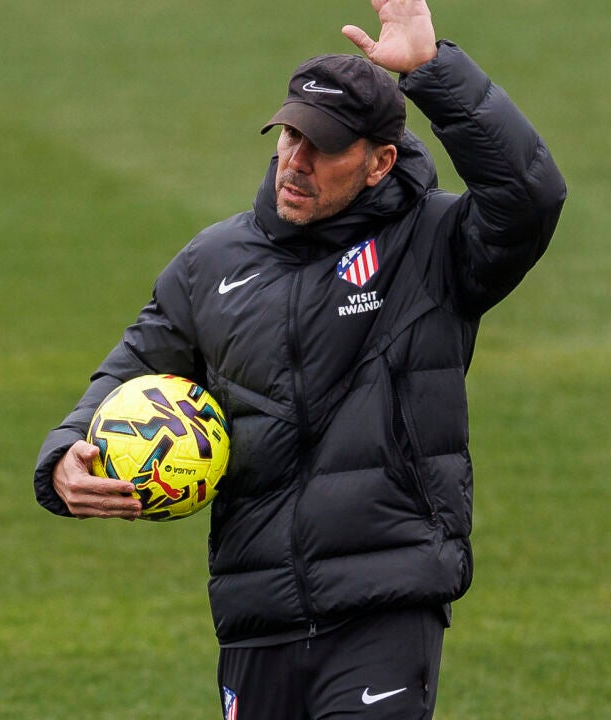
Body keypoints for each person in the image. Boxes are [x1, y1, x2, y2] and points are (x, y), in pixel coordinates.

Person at [33, 1, 566, 717]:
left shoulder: (433, 246)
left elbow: (530, 198)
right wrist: (66, 453)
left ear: (379, 163)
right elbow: (131, 367)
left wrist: (434, 71)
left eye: (325, 147)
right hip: (257, 616)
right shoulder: (211, 263)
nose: (296, 161)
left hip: (383, 607)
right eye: (291, 135)